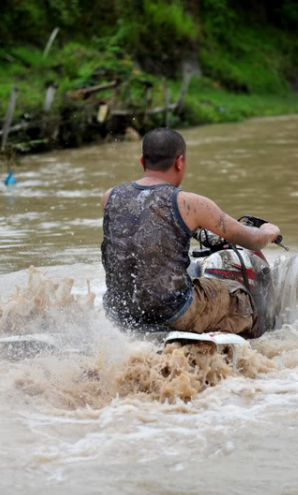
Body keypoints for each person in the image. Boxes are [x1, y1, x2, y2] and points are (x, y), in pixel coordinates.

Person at [100, 128, 280, 338]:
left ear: (142, 161)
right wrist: (269, 231)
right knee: (239, 295)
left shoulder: (109, 197)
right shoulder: (189, 203)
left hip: (120, 311)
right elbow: (253, 240)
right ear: (179, 162)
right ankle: (259, 345)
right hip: (174, 311)